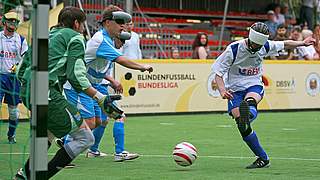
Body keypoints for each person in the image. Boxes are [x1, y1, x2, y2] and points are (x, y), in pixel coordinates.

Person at [14, 6, 124, 179]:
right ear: (76, 23)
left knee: (49, 132)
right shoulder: (75, 37)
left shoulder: (45, 36)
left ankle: (23, 175)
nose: (82, 29)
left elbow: (21, 68)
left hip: (26, 91)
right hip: (47, 92)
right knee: (85, 138)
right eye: (82, 25)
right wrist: (100, 97)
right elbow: (76, 75)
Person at [210, 22, 315, 169]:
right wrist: (222, 90)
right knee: (243, 127)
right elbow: (218, 73)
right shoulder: (233, 49)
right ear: (250, 39)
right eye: (255, 46)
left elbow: (285, 44)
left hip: (254, 84)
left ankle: (248, 112)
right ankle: (263, 158)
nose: (258, 49)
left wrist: (302, 43)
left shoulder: (265, 45)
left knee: (250, 101)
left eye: (260, 46)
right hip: (234, 89)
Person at [62, 5, 152, 162]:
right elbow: (121, 60)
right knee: (97, 120)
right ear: (108, 22)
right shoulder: (101, 40)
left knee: (100, 121)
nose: (123, 26)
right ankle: (64, 144)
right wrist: (142, 67)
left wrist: (111, 81)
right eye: (120, 22)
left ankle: (92, 150)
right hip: (79, 87)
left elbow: (97, 70)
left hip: (91, 86)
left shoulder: (107, 40)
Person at [0, 11, 28, 144]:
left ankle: (11, 135)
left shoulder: (21, 40)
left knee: (13, 112)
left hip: (13, 79)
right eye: (11, 20)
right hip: (0, 77)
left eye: (16, 21)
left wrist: (19, 67)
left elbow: (25, 59)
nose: (13, 23)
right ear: (4, 22)